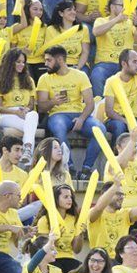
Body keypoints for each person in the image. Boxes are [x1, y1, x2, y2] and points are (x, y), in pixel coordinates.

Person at [36, 45, 105, 178]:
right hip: (57, 114)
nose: (46, 64)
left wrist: (82, 119)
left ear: (60, 60)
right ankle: (69, 166)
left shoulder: (80, 75)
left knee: (100, 129)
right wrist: (53, 102)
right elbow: (41, 107)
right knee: (59, 128)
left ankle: (86, 169)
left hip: (79, 114)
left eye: (49, 60)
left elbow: (90, 104)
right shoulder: (44, 78)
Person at [90, 0, 137, 97]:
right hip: (106, 64)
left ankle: (136, 95)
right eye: (122, 5)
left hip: (127, 64)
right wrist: (116, 20)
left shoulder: (129, 22)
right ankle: (100, 103)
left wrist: (136, 23)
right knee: (97, 74)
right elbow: (96, 32)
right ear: (113, 7)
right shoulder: (101, 21)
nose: (125, 8)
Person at [0, 48, 40, 166]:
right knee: (30, 125)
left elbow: (31, 104)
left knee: (33, 114)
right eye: (18, 62)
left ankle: (27, 151)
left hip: (24, 114)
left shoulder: (29, 80)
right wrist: (15, 113)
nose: (21, 65)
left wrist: (26, 110)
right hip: (7, 115)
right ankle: (28, 153)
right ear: (10, 62)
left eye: (23, 62)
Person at [88, 179, 137, 255]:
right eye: (118, 194)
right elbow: (99, 207)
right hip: (101, 259)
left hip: (121, 259)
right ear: (105, 194)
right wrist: (115, 186)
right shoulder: (94, 212)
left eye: (123, 194)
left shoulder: (125, 213)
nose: (122, 197)